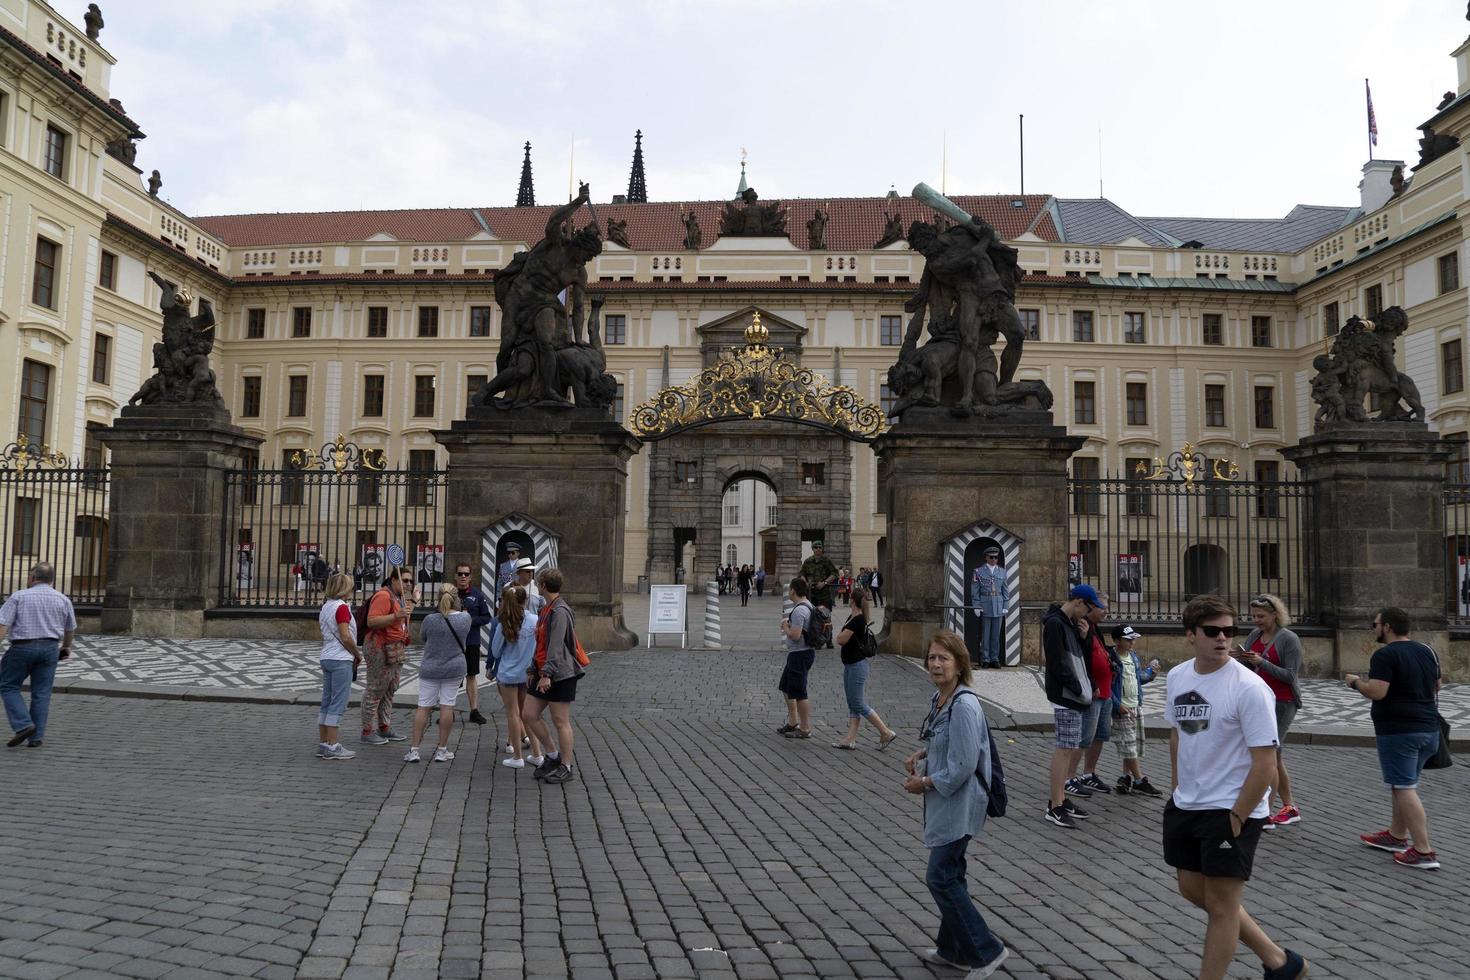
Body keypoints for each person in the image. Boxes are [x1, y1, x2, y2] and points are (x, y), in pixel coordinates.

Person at [1165, 595, 1307, 980]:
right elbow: (1178, 736)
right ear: (1191, 635)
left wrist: (1238, 815)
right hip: (1188, 804)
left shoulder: (1249, 687)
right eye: (1212, 632)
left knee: (1223, 906)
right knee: (1193, 890)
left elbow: (1265, 763)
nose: (1223, 639)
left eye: (1229, 631)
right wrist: (1178, 790)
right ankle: (1279, 961)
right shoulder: (1178, 677)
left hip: (1231, 806)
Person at [903, 630, 1009, 978]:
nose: (935, 664)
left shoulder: (963, 705)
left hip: (961, 803)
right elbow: (945, 744)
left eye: (943, 658)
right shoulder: (940, 699)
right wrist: (923, 753)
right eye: (932, 657)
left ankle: (986, 951)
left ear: (959, 665)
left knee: (940, 877)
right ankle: (953, 950)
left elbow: (963, 765)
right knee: (952, 875)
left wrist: (926, 782)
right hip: (946, 804)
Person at [1348, 606, 1443, 871]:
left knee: (1404, 787)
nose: (1374, 628)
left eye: (1376, 624)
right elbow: (1437, 685)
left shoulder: (1385, 654)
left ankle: (1424, 850)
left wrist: (1355, 682)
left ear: (1387, 627)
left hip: (1399, 731)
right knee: (1403, 784)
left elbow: (1377, 692)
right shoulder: (1427, 650)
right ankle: (1396, 835)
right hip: (1429, 729)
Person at [1240, 594, 1304, 829]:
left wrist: (1261, 662)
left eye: (1261, 616)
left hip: (1283, 701)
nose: (1256, 620)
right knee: (1274, 754)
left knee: (1270, 753)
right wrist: (1242, 658)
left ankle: (1267, 810)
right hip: (1260, 699)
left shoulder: (1289, 639)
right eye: (1253, 616)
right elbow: (1249, 666)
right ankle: (1289, 806)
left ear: (1275, 615)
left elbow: (1290, 675)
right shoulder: (1254, 635)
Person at [0, 563, 76, 748]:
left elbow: (3, 625)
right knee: (41, 693)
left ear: (33, 577)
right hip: (50, 648)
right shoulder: (62, 599)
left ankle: (23, 724)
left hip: (21, 648)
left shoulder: (19, 596)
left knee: (8, 685)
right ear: (52, 580)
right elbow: (70, 628)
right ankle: (36, 738)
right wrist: (65, 648)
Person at [1042, 584, 1099, 829]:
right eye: (1088, 608)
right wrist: (1076, 688)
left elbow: (1081, 659)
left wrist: (1084, 638)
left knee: (1069, 745)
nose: (1087, 614)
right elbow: (1057, 662)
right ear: (1078, 601)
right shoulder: (1055, 624)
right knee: (1064, 748)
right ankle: (1054, 805)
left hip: (1072, 693)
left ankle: (1061, 800)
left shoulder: (1069, 623)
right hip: (1065, 694)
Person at [523, 568, 582, 784]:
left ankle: (566, 766)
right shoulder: (546, 609)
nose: (537, 586)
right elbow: (540, 643)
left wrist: (546, 673)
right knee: (528, 714)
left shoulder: (560, 611)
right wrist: (533, 668)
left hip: (561, 673)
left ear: (544, 586)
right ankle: (552, 755)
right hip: (542, 671)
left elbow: (556, 646)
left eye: (538, 583)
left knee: (560, 720)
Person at [405, 585, 469, 764]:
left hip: (431, 668)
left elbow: (424, 638)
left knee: (423, 707)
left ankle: (414, 750)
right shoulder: (465, 618)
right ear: (457, 598)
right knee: (447, 706)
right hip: (454, 668)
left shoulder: (430, 619)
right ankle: (442, 750)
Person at [832, 587, 898, 750]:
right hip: (850, 665)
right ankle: (850, 738)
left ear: (853, 600)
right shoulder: (852, 617)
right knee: (852, 703)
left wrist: (841, 636)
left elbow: (840, 640)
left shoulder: (858, 620)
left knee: (858, 703)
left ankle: (885, 731)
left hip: (857, 666)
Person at [492, 585, 545, 768]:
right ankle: (537, 754)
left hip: (508, 674)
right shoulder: (535, 620)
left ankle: (517, 756)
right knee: (527, 714)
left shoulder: (504, 623)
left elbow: (496, 651)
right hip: (527, 673)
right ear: (526, 601)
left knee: (513, 715)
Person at [361, 566, 414, 745]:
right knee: (375, 689)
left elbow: (403, 620)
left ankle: (384, 727)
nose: (408, 584)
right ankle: (367, 731)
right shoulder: (384, 596)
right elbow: (372, 621)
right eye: (404, 580)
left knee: (390, 689)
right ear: (393, 580)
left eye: (410, 581)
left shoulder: (400, 597)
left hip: (395, 647)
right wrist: (395, 615)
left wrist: (412, 601)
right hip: (380, 648)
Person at [1109, 624, 1162, 796]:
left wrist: (1151, 673)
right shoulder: (1111, 657)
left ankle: (1126, 777)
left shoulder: (1132, 656)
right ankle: (1140, 780)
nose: (1132, 643)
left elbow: (1138, 677)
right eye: (1127, 639)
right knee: (1129, 745)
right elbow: (1107, 684)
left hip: (1135, 705)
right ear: (1117, 640)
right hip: (1122, 706)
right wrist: (1117, 705)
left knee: (1133, 744)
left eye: (1133, 639)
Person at [1074, 594, 1116, 796]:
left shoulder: (1095, 628)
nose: (1106, 611)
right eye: (1103, 607)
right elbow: (1080, 658)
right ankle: (1069, 777)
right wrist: (1092, 684)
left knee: (1100, 735)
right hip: (1094, 692)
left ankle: (1088, 774)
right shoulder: (1082, 626)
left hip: (1105, 691)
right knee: (1084, 738)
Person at [315, 572, 361, 760]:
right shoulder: (342, 608)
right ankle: (333, 745)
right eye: (350, 587)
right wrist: (357, 654)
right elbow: (345, 635)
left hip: (326, 656)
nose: (352, 590)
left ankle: (324, 742)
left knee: (326, 700)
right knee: (338, 702)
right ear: (345, 589)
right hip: (341, 658)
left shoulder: (326, 606)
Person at [776, 577, 817, 739]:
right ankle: (793, 722)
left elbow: (795, 635)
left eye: (790, 589)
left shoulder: (800, 610)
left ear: (793, 590)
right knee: (786, 687)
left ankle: (805, 728)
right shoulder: (808, 605)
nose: (789, 592)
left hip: (800, 654)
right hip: (799, 653)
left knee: (800, 692)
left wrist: (785, 627)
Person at [453, 561, 493, 726]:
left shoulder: (477, 595)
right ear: (455, 576)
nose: (463, 576)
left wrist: (469, 619)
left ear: (470, 577)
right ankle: (449, 711)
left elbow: (486, 617)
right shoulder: (449, 594)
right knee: (453, 678)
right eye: (460, 573)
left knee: (471, 675)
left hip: (471, 642)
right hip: (453, 643)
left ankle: (474, 711)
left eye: (466, 574)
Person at [970, 547, 1007, 668]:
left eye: (996, 557)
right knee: (985, 635)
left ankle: (994, 658)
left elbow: (1005, 590)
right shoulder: (978, 571)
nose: (994, 559)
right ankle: (985, 658)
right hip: (985, 605)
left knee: (996, 635)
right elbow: (975, 590)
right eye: (991, 557)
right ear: (986, 557)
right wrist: (976, 605)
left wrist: (1005, 605)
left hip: (998, 605)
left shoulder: (1002, 572)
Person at [799, 541, 839, 615]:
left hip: (824, 594)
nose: (818, 549)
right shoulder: (808, 561)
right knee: (810, 616)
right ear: (812, 549)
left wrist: (824, 583)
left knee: (825, 616)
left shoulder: (827, 561)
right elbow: (802, 574)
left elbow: (834, 573)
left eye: (820, 547)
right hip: (811, 594)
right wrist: (805, 583)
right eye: (816, 547)